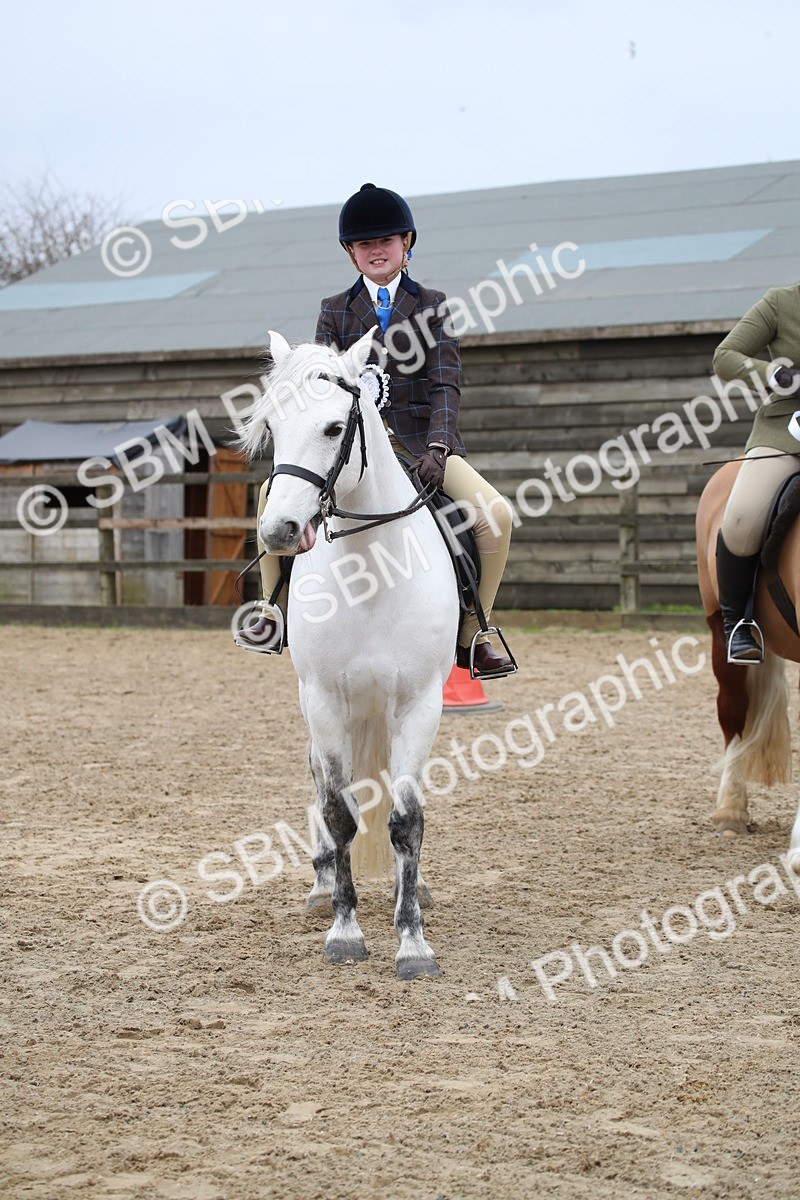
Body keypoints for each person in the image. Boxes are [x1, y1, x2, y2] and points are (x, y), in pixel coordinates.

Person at [235, 182, 515, 677]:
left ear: (406, 244)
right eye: (365, 244)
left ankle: (476, 629)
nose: (376, 251)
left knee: (495, 515)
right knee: (270, 498)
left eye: (385, 241)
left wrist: (439, 446)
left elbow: (444, 384)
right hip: (346, 449)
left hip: (419, 446)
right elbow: (316, 384)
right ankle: (272, 610)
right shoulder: (335, 309)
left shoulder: (432, 304)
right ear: (351, 254)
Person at [712, 284, 800, 663]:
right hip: (788, 430)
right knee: (743, 514)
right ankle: (738, 624)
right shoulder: (782, 302)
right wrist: (774, 373)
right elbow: (725, 356)